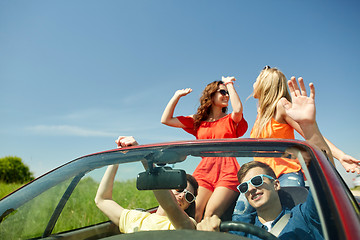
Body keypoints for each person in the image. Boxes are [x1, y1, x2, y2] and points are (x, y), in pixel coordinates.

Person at [197, 77, 332, 239]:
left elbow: (325, 174)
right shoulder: (240, 231)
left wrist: (309, 126)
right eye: (244, 187)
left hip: (288, 171)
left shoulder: (302, 216)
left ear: (275, 184)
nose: (251, 188)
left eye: (256, 181)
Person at [251, 66, 360, 184]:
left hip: (285, 175)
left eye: (256, 80)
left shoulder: (281, 106)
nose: (253, 84)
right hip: (263, 178)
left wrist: (340, 155)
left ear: (264, 84)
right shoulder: (261, 114)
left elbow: (309, 132)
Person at [161, 77, 248, 222]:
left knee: (210, 214)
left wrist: (229, 84)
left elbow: (238, 109)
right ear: (211, 95)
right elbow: (166, 119)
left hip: (228, 171)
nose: (226, 95)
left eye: (227, 93)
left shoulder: (231, 119)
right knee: (195, 214)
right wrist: (177, 96)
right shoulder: (198, 121)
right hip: (204, 172)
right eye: (222, 92)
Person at [95, 136, 198, 233]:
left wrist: (144, 156)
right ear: (167, 186)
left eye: (189, 196)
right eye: (179, 189)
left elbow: (170, 206)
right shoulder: (137, 218)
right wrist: (117, 158)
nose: (182, 196)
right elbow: (102, 199)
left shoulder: (187, 225)